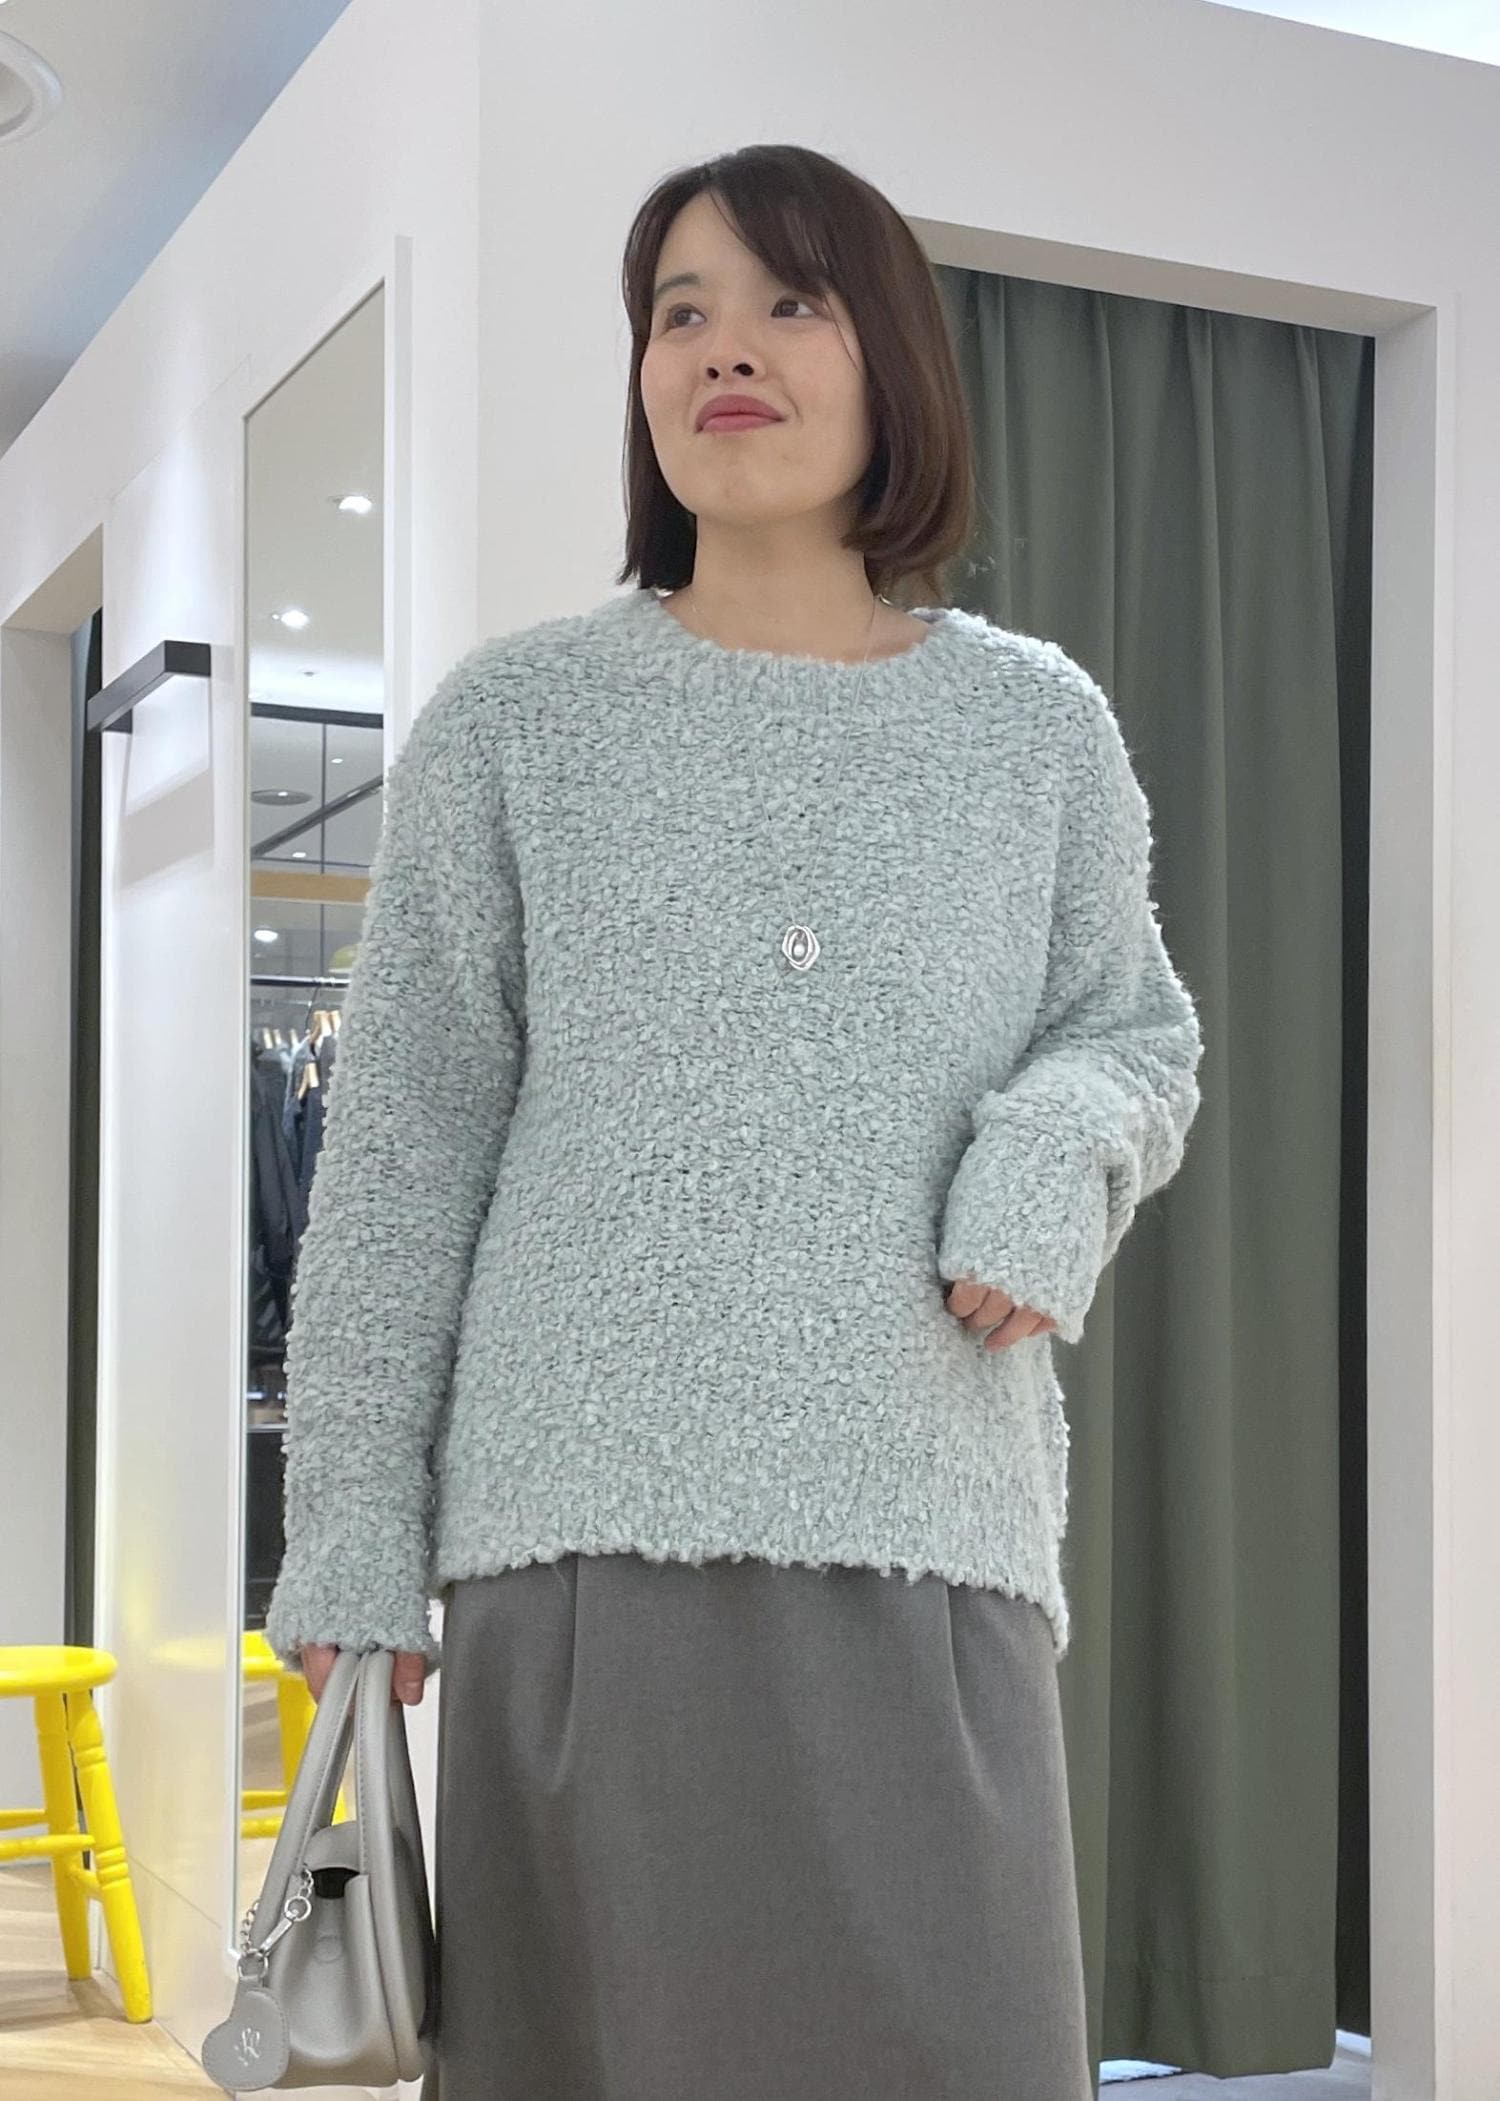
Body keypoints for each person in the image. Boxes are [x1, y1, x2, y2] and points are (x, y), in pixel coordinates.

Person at [265, 142, 1204, 2100]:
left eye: (789, 301)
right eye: (677, 312)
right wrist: (353, 1531)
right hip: (584, 1558)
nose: (723, 348)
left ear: (895, 361)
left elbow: (1133, 1036)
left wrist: (1048, 1163)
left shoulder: (1036, 729)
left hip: (929, 1534)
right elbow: (404, 1155)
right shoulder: (517, 725)